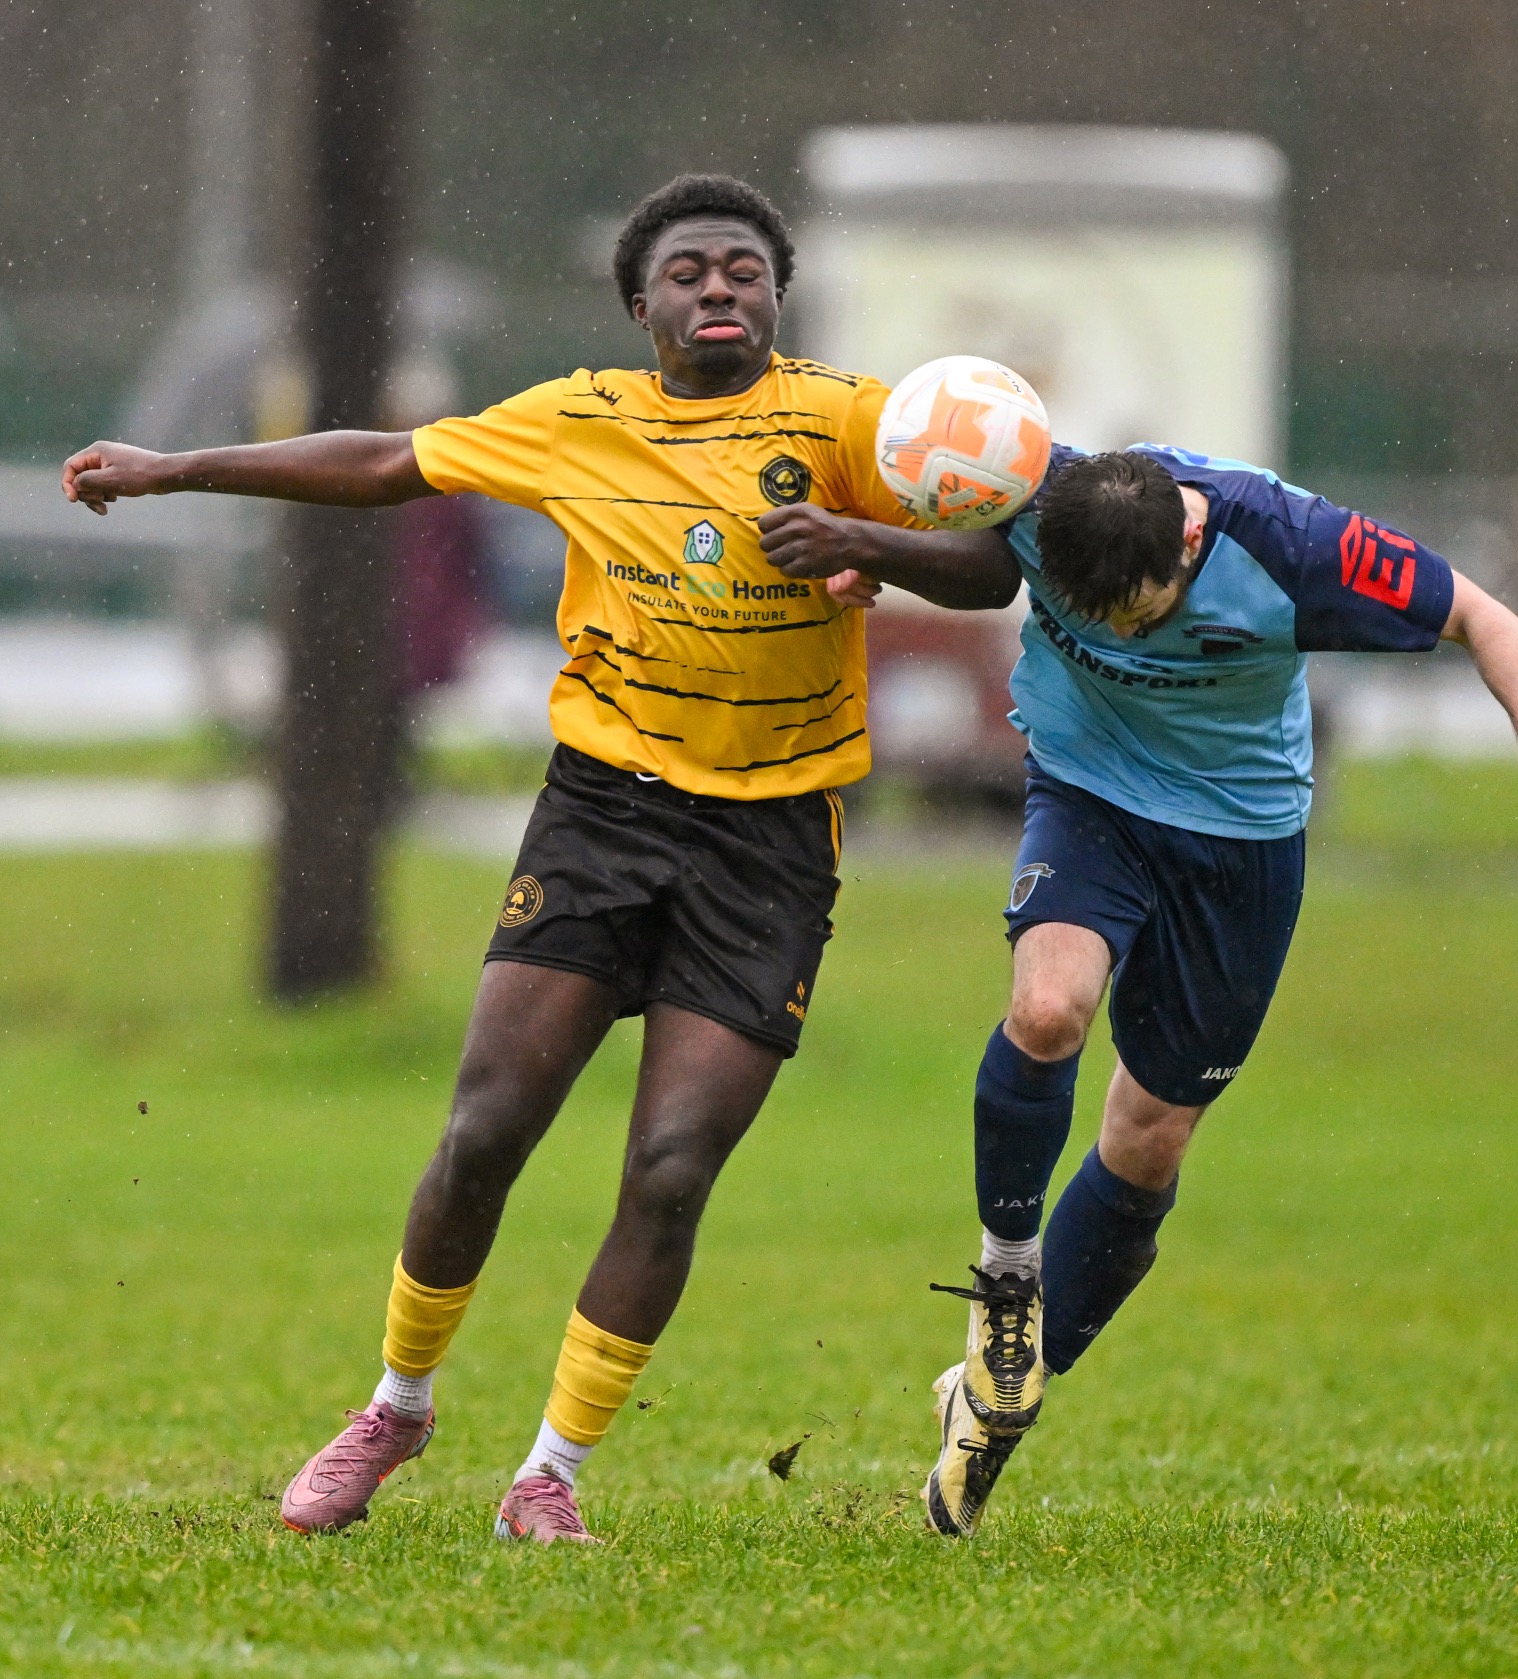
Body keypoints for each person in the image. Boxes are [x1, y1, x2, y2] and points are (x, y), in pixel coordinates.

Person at [61, 174, 1016, 1545]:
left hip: (771, 838)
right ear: (641, 305)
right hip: (604, 812)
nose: (717, 289)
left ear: (776, 293)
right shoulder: (575, 416)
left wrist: (862, 540)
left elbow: (987, 562)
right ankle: (395, 1402)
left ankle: (548, 1474)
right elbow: (387, 460)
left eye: (742, 268)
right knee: (483, 1131)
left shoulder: (850, 419)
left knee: (673, 1166)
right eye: (687, 270)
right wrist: (173, 467)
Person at [912, 444, 1518, 1537]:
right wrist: (860, 558)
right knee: (1047, 1008)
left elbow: (1489, 620)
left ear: (1187, 544)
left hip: (1238, 833)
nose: (1116, 633)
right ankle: (1006, 1294)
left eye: (1133, 614)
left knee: (1147, 1138)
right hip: (1087, 788)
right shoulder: (1025, 482)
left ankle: (997, 1403)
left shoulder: (1300, 547)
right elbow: (898, 475)